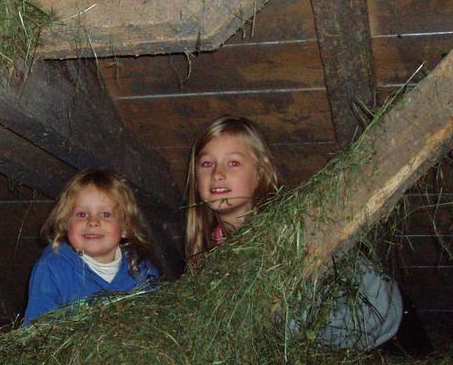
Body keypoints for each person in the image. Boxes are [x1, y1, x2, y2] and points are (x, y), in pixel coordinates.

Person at [185, 115, 402, 351]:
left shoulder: (289, 228)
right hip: (309, 352)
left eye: (233, 163)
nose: (217, 173)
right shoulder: (209, 256)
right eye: (207, 164)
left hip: (374, 315)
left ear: (260, 172)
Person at [23, 169, 159, 327]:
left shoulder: (141, 271)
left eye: (106, 215)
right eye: (82, 215)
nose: (93, 222)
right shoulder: (52, 270)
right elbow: (36, 335)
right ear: (66, 223)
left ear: (125, 227)